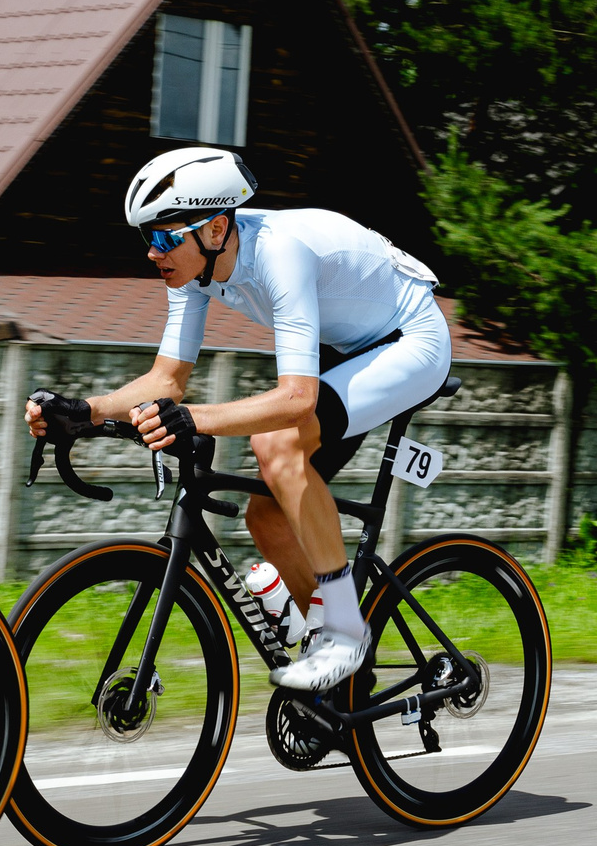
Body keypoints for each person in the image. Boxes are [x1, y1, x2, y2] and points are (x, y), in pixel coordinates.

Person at [25, 146, 452, 692]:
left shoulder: (281, 254)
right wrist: (83, 412)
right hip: (348, 347)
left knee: (275, 447)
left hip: (410, 340)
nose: (153, 253)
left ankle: (346, 632)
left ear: (216, 227)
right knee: (266, 517)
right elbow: (166, 382)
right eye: (146, 239)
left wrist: (192, 420)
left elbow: (295, 398)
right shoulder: (196, 271)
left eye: (163, 238)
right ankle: (337, 661)